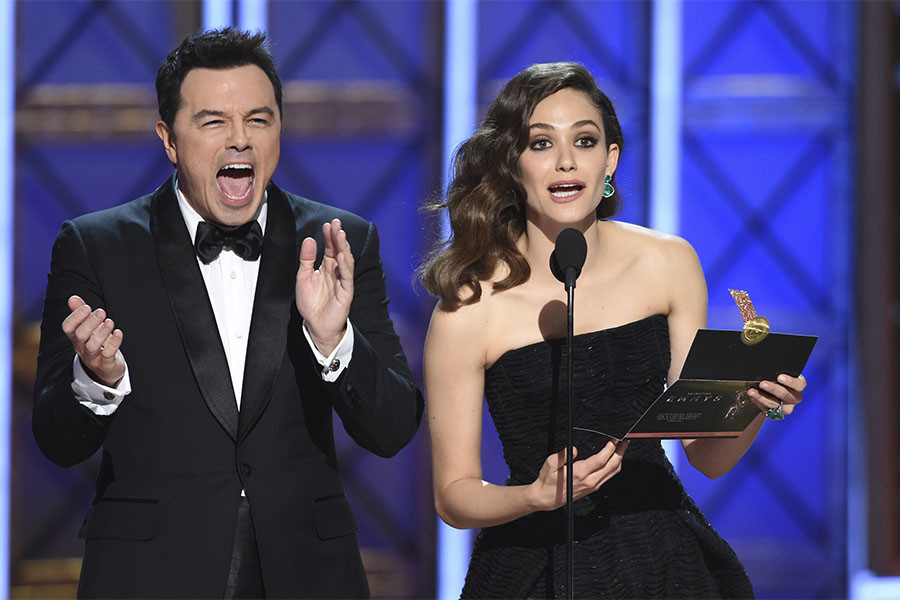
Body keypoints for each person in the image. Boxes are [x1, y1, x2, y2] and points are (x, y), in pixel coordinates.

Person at [33, 28, 423, 599]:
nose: (239, 140)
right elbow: (55, 439)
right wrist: (95, 380)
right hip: (150, 576)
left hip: (306, 574)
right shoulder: (96, 246)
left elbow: (391, 430)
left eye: (259, 120)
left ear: (280, 131)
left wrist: (335, 340)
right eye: (214, 121)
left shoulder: (341, 242)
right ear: (169, 138)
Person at [421, 62, 806, 599]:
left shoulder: (668, 262)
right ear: (512, 166)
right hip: (537, 567)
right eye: (539, 143)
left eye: (584, 140)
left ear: (610, 160)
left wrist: (757, 406)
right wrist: (537, 495)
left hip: (662, 558)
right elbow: (453, 496)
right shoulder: (469, 308)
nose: (564, 161)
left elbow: (704, 453)